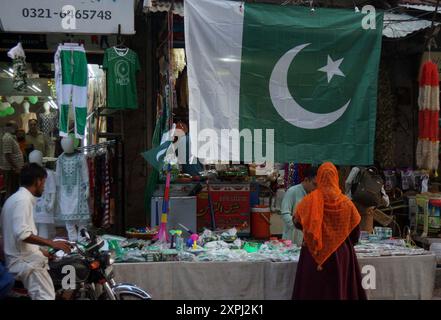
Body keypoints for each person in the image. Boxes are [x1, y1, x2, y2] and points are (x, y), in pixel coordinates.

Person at [292, 162, 366, 300]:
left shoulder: (309, 201)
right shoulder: (346, 203)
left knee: (313, 291)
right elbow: (355, 232)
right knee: (338, 290)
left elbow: (297, 222)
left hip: (313, 252)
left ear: (319, 178)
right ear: (336, 178)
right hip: (340, 255)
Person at [0, 164, 71, 300]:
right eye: (43, 182)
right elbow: (23, 234)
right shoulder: (22, 201)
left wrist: (43, 251)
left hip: (24, 259)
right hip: (26, 263)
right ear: (37, 181)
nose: (44, 187)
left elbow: (18, 236)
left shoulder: (15, 199)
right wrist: (52, 244)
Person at [280, 167, 317, 246]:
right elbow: (285, 213)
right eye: (314, 184)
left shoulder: (315, 195)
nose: (315, 188)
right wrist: (299, 226)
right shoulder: (292, 191)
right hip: (292, 236)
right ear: (306, 180)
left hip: (307, 238)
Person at [0, 121, 24, 198]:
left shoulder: (11, 137)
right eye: (15, 127)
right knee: (11, 191)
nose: (17, 129)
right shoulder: (7, 138)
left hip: (13, 169)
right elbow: (7, 155)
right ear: (9, 128)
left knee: (14, 190)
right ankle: (9, 208)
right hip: (10, 170)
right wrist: (15, 167)